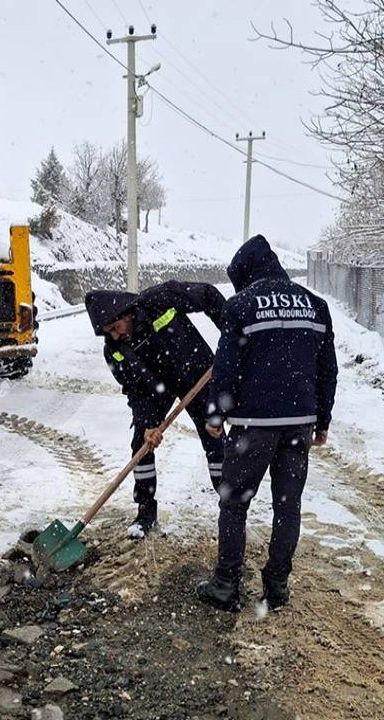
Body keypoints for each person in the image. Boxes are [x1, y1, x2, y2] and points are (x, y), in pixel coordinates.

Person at [196, 235, 338, 612]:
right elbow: (327, 370)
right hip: (299, 424)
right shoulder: (316, 306)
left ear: (245, 274)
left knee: (234, 504)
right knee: (287, 506)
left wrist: (215, 414)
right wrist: (322, 419)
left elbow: (226, 367)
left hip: (252, 424)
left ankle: (226, 584)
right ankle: (277, 586)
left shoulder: (241, 306)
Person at [84, 281, 226, 536]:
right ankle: (146, 510)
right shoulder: (114, 350)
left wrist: (230, 332)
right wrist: (148, 424)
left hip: (195, 374)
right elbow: (134, 389)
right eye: (108, 332)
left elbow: (207, 294)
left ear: (125, 313)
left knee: (213, 433)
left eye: (115, 328)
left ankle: (230, 505)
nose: (114, 335)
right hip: (156, 389)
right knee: (141, 442)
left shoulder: (159, 299)